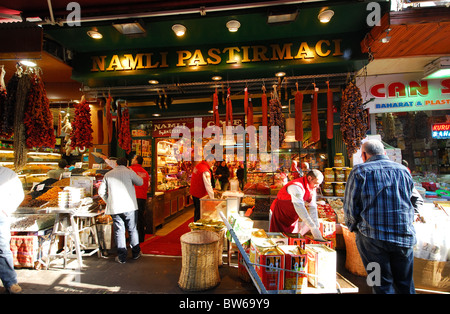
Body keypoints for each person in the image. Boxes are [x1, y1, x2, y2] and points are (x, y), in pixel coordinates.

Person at [343, 139, 419, 294]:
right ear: (384, 153)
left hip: (371, 241)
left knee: (378, 283)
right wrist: (410, 218)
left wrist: (353, 227)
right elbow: (416, 199)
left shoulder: (359, 172)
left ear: (363, 155)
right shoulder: (403, 171)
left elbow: (350, 206)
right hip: (403, 238)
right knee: (405, 283)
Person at [98, 157, 143, 263]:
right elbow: (140, 182)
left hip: (115, 207)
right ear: (126, 163)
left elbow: (101, 192)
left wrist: (108, 200)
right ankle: (136, 253)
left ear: (116, 164)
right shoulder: (129, 172)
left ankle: (122, 257)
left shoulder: (108, 174)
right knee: (132, 229)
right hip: (130, 206)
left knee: (119, 231)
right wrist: (132, 173)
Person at [269, 169, 324, 240]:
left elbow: (312, 207)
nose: (317, 186)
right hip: (280, 214)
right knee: (277, 238)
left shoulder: (312, 188)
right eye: (316, 183)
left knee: (291, 238)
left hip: (292, 217)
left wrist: (316, 226)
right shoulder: (296, 186)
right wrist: (312, 227)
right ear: (309, 178)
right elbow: (300, 207)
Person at [0, 166, 25, 293]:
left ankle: (10, 282)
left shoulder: (8, 174)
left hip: (0, 216)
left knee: (3, 248)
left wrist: (7, 210)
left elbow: (19, 195)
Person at [129, 155, 150, 243]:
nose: (132, 159)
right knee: (140, 217)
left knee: (133, 218)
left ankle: (134, 238)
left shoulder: (130, 170)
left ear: (137, 161)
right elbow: (148, 185)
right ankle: (141, 237)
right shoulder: (145, 172)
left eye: (133, 158)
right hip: (142, 197)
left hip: (133, 197)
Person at [190, 155, 215, 221]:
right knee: (199, 213)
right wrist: (213, 199)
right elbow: (208, 185)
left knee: (197, 211)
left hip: (194, 193)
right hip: (199, 194)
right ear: (208, 160)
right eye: (212, 163)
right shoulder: (205, 170)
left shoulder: (198, 166)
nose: (212, 165)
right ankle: (197, 227)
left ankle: (196, 225)